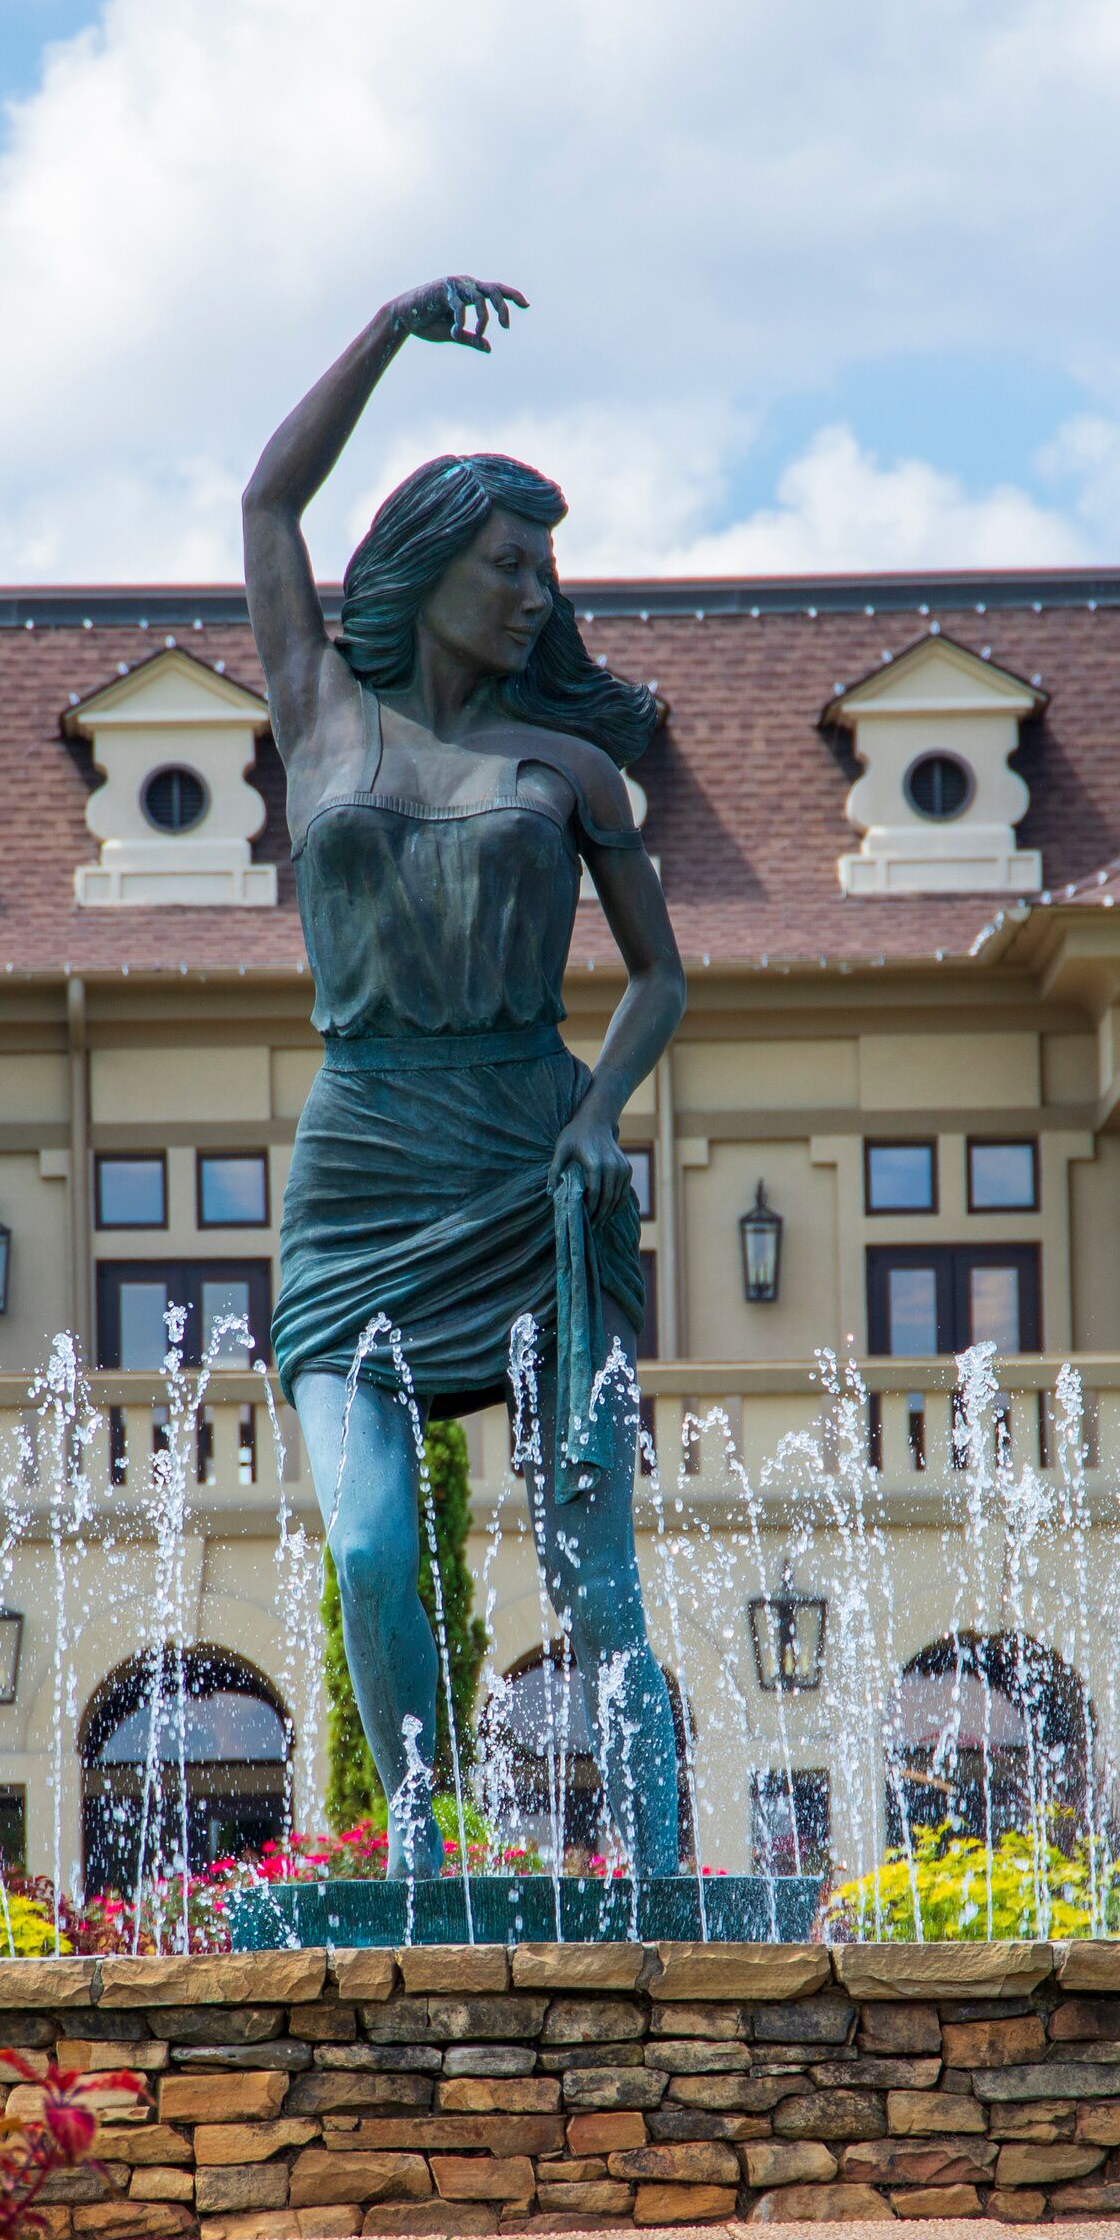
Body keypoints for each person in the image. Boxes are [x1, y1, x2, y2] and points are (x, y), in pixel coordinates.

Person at [243, 277, 688, 1879]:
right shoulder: (319, 717)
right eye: (511, 563)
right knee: (369, 1544)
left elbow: (660, 977)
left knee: (594, 1575)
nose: (534, 596)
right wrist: (385, 329)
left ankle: (658, 1866)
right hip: (362, 1161)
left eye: (546, 575)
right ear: (429, 566)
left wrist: (595, 1118)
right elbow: (270, 498)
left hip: (528, 1157)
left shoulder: (567, 770)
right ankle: (427, 1852)